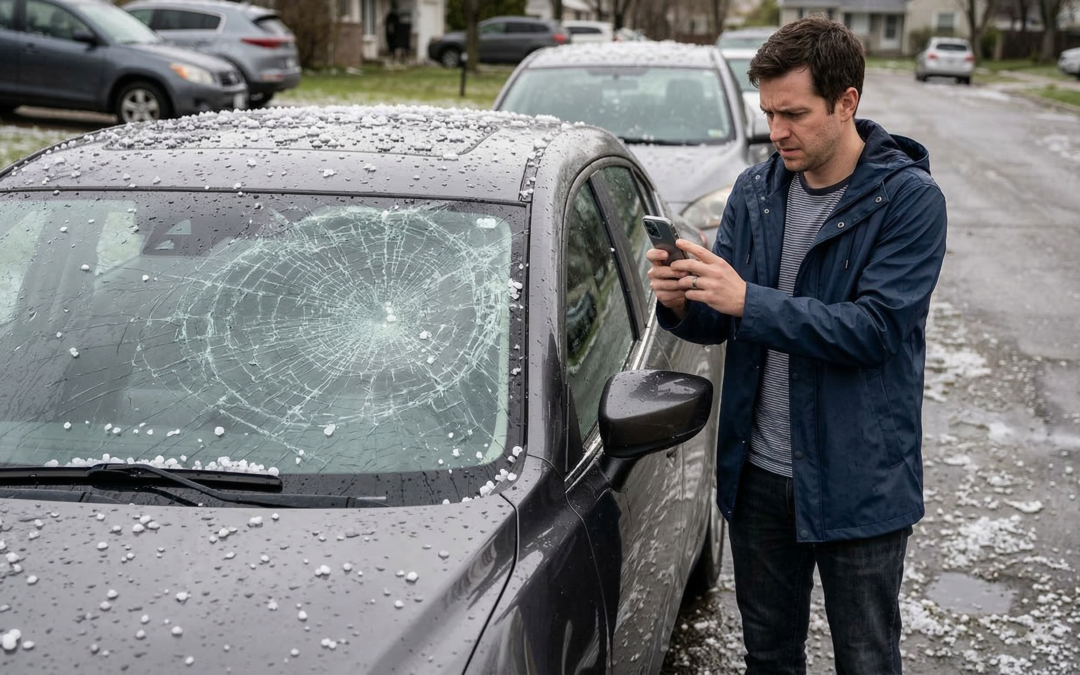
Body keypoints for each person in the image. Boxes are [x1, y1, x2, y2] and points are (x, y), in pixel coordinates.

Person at [647, 16, 947, 674]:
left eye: (794, 114)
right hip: (757, 476)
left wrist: (746, 299)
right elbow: (723, 319)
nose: (776, 130)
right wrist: (682, 301)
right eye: (768, 113)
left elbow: (874, 330)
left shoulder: (910, 201)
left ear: (846, 102)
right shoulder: (755, 191)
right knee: (769, 657)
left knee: (866, 659)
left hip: (858, 481)